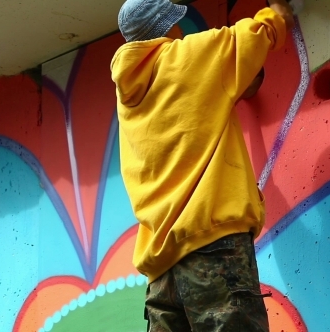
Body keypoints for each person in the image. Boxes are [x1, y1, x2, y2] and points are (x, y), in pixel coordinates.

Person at [110, 0, 294, 330]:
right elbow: (261, 31)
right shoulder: (187, 55)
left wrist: (220, 91)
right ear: (167, 28)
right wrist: (278, 8)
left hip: (161, 273)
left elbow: (187, 115)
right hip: (213, 252)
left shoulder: (127, 98)